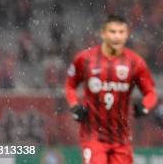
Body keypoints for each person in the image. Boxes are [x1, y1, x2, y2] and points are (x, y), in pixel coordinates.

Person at [65, 15, 157, 164]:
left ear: (127, 34)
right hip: (93, 135)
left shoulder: (135, 62)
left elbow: (150, 92)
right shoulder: (85, 59)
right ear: (103, 33)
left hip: (121, 137)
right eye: (112, 32)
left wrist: (145, 106)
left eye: (121, 32)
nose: (117, 36)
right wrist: (74, 105)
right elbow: (70, 84)